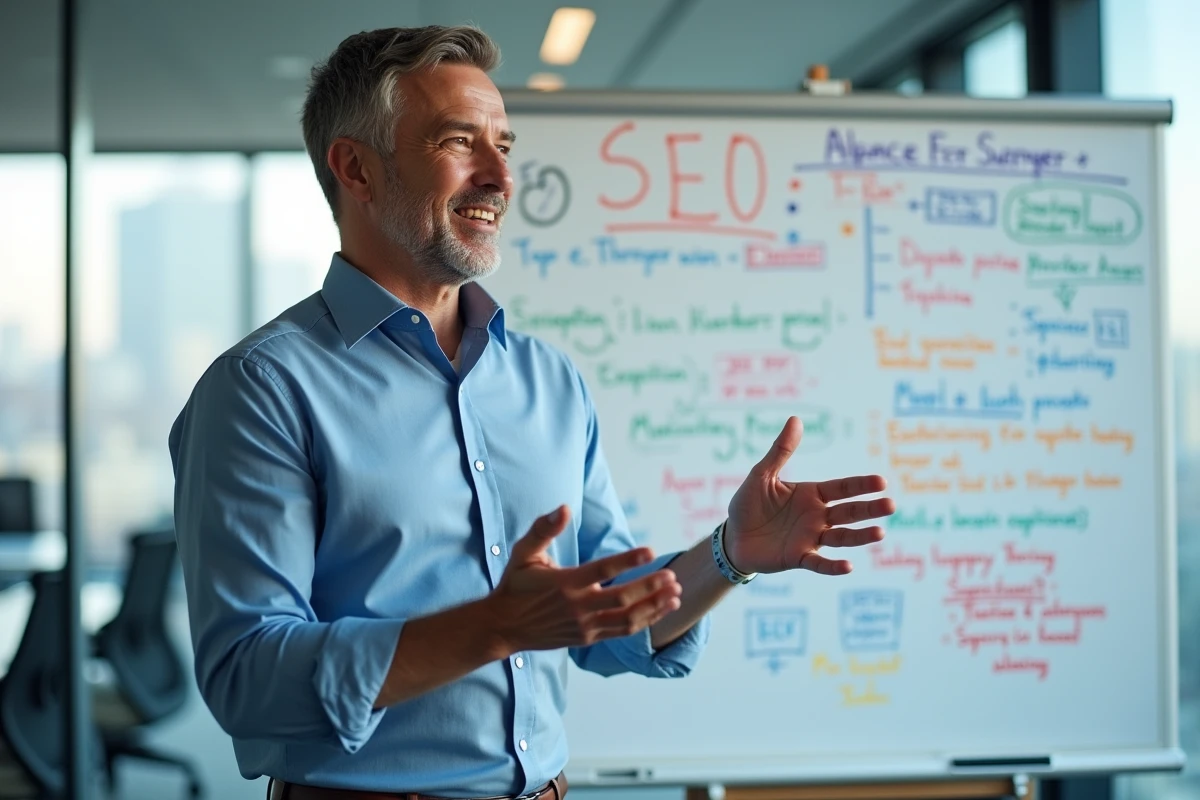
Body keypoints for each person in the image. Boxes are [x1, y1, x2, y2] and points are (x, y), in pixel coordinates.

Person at [169, 24, 896, 800]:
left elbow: (606, 614)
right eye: (459, 142)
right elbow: (248, 677)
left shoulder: (548, 379)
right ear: (356, 168)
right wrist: (497, 625)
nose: (500, 178)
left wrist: (727, 555)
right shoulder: (260, 388)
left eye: (505, 147)